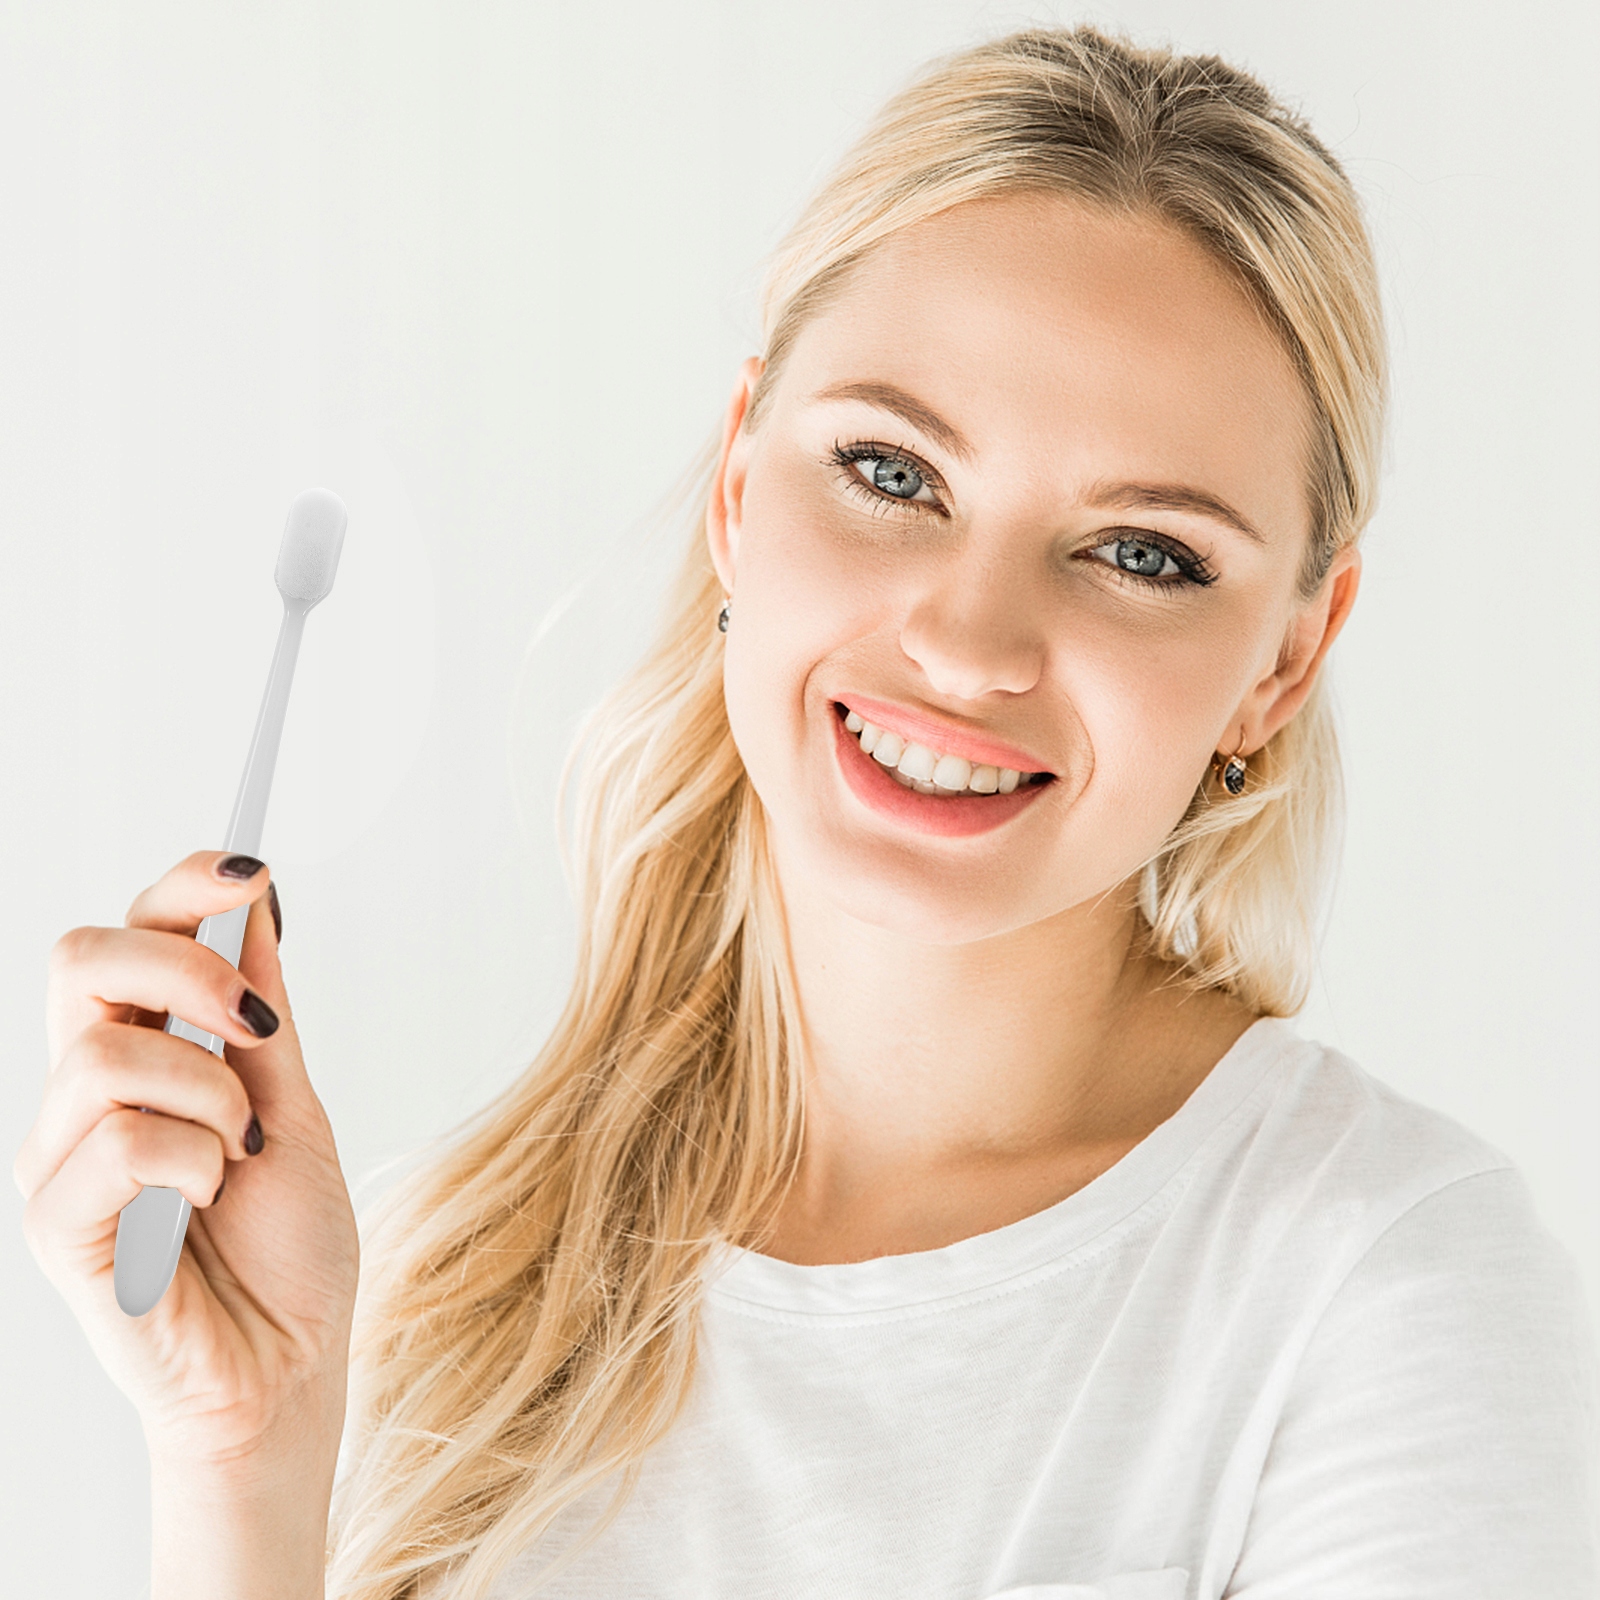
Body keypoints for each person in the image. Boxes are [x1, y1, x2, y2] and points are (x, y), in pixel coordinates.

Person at [16, 24, 1597, 1600]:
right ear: (737, 483)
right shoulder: (432, 1275)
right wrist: (244, 1456)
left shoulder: (1382, 1284)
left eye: (1144, 554)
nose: (969, 644)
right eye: (894, 474)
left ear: (1286, 663)